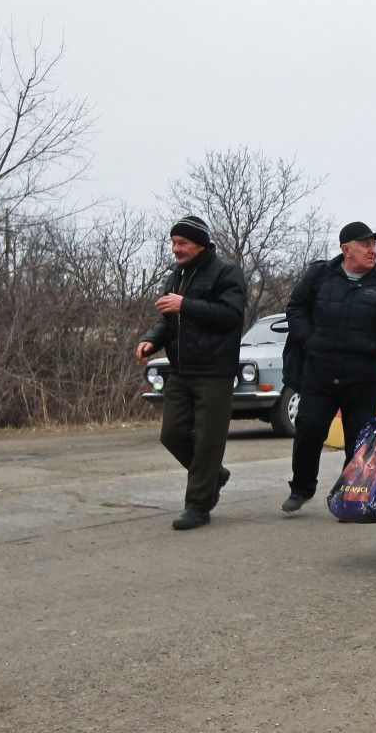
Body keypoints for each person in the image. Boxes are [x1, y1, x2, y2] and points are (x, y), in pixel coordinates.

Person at [280, 221, 376, 513]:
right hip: (320, 372)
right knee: (309, 430)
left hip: (362, 377)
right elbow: (296, 307)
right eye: (365, 244)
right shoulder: (320, 275)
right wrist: (309, 340)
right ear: (345, 249)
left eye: (374, 244)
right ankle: (301, 488)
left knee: (359, 440)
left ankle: (352, 495)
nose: (372, 250)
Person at [135, 215, 247, 530]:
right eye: (173, 242)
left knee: (209, 441)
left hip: (214, 370)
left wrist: (186, 304)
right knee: (171, 433)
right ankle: (215, 475)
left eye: (182, 243)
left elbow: (231, 316)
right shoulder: (177, 276)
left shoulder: (226, 273)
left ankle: (198, 505)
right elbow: (167, 319)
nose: (176, 249)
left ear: (199, 243)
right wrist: (151, 341)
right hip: (181, 370)